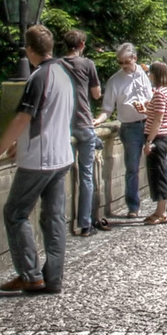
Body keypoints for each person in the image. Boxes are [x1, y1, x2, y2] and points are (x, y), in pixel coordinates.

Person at [0, 24, 72, 295]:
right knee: (54, 219)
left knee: (15, 213)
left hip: (40, 159)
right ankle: (53, 278)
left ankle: (30, 275)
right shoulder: (64, 74)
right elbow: (52, 115)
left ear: (29, 50)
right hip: (62, 155)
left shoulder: (38, 77)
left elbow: (23, 117)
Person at [101, 43, 154, 219]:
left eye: (126, 61)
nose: (123, 65)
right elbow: (107, 109)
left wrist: (147, 107)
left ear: (134, 59)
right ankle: (133, 206)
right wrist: (99, 120)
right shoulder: (115, 81)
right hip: (130, 127)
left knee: (161, 164)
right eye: (120, 62)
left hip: (150, 123)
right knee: (132, 168)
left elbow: (155, 98)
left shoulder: (146, 73)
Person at [60, 29, 104, 237]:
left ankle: (59, 224)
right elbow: (96, 95)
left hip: (63, 124)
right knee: (86, 176)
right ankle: (85, 224)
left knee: (60, 175)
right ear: (82, 45)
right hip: (84, 122)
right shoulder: (87, 64)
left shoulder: (57, 65)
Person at [141, 63, 167, 223]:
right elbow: (159, 113)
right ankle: (160, 210)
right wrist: (147, 108)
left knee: (158, 175)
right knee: (160, 172)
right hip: (165, 135)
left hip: (158, 137)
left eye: (150, 74)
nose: (149, 76)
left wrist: (149, 141)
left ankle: (161, 212)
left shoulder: (159, 93)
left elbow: (158, 120)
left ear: (155, 75)